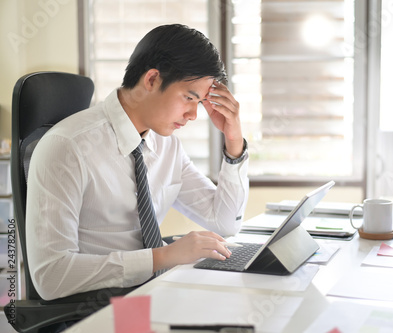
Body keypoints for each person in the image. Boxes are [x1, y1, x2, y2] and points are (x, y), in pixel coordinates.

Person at [26, 24, 249, 301]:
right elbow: (51, 276)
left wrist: (234, 140)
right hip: (94, 307)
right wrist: (162, 257)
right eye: (189, 98)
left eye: (201, 102)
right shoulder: (67, 147)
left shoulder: (167, 146)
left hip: (151, 295)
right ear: (152, 80)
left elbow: (224, 222)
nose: (193, 114)